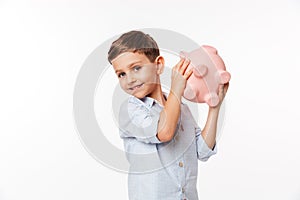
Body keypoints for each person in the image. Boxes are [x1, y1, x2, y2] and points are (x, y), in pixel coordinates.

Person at [107, 30, 229, 200]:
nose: (129, 79)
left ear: (158, 65)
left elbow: (203, 151)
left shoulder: (182, 109)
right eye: (121, 74)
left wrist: (214, 108)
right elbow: (164, 132)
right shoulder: (131, 110)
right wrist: (176, 89)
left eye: (136, 68)